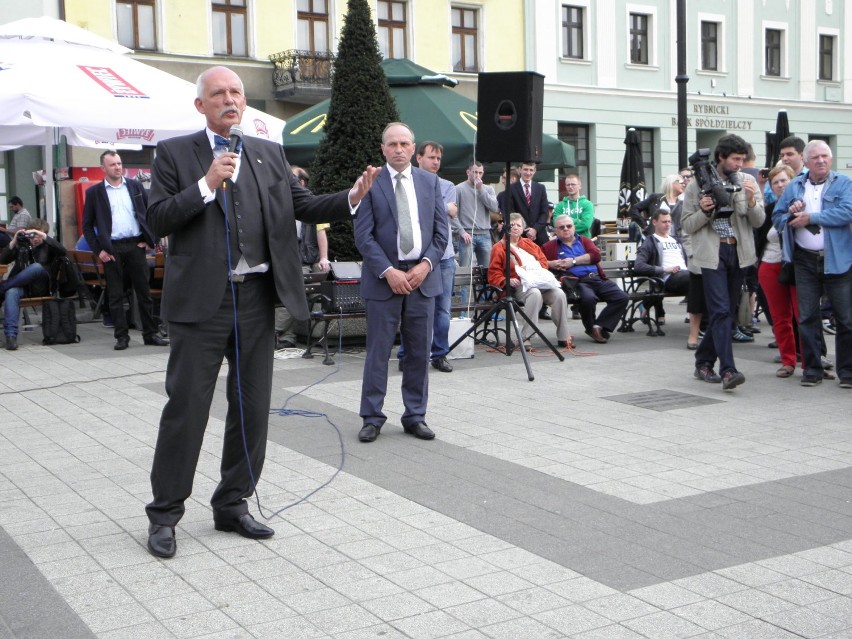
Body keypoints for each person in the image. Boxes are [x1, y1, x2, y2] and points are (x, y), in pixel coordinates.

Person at [143, 66, 378, 559]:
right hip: (200, 306)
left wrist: (352, 197)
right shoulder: (174, 153)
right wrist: (206, 184)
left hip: (254, 299)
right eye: (219, 94)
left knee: (251, 408)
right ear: (200, 105)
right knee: (186, 410)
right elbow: (157, 219)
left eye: (236, 93)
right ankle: (165, 513)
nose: (230, 100)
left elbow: (306, 204)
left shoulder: (268, 153)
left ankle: (232, 502)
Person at [355, 122, 448, 444]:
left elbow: (440, 233)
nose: (398, 149)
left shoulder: (430, 183)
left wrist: (425, 265)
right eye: (392, 144)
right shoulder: (371, 182)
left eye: (404, 143)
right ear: (383, 149)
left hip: (422, 279)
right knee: (378, 352)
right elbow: (363, 236)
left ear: (413, 148)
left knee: (419, 353)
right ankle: (371, 416)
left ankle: (415, 415)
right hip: (384, 281)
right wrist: (388, 271)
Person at [681, 133, 764, 391]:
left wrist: (750, 202)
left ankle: (703, 361)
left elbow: (759, 221)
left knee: (724, 312)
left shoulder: (748, 181)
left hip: (739, 254)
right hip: (711, 254)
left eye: (742, 159)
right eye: (735, 159)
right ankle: (728, 370)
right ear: (721, 157)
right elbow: (686, 224)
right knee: (721, 311)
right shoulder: (697, 184)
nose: (740, 164)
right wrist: (705, 211)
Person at [772, 140, 851, 389]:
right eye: (815, 157)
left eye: (825, 156)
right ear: (805, 162)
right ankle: (812, 369)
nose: (821, 161)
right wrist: (791, 215)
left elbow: (847, 211)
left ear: (831, 158)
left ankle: (847, 372)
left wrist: (811, 217)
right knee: (806, 317)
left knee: (846, 319)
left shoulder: (844, 183)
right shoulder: (795, 185)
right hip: (804, 259)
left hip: (837, 258)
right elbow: (777, 217)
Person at [82, 151, 168, 351]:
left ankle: (150, 333)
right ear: (103, 168)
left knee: (143, 292)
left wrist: (150, 240)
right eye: (112, 164)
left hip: (135, 245)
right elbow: (86, 226)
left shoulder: (135, 186)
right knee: (116, 294)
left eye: (119, 163)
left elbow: (150, 213)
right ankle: (121, 336)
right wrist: (99, 250)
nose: (117, 167)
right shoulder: (95, 193)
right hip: (111, 248)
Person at [398, 140, 458, 373]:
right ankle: (406, 354)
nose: (435, 162)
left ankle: (439, 353)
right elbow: (437, 211)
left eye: (438, 159)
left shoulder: (447, 185)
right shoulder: (406, 183)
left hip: (443, 257)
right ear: (418, 158)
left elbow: (444, 215)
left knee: (442, 309)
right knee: (410, 310)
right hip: (415, 258)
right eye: (431, 157)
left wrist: (439, 208)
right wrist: (442, 207)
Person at [487, 213, 572, 349]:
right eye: (512, 224)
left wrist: (533, 268)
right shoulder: (499, 247)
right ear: (506, 227)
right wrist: (507, 280)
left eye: (518, 225)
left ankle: (563, 336)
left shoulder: (529, 244)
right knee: (534, 293)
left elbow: (543, 262)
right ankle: (527, 337)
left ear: (523, 229)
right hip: (520, 286)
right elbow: (493, 273)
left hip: (538, 281)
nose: (515, 228)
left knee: (559, 294)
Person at [543, 214, 629, 343]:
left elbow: (596, 256)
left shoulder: (584, 240)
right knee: (588, 299)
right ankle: (591, 328)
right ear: (555, 230)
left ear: (574, 227)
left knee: (622, 297)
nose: (566, 229)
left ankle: (598, 326)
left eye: (569, 226)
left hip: (598, 279)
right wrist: (552, 264)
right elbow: (539, 262)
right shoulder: (550, 246)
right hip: (577, 282)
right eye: (561, 227)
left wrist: (573, 261)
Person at [273, 165, 332, 349]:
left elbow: (321, 232)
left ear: (302, 182)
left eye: (291, 178)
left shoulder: (312, 202)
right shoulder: (280, 201)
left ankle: (274, 331)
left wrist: (324, 257)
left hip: (303, 259)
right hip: (283, 259)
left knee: (291, 292)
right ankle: (287, 337)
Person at [755, 165, 799, 378]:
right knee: (780, 317)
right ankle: (788, 361)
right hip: (769, 266)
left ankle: (811, 361)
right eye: (776, 182)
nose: (780, 185)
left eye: (784, 180)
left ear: (793, 181)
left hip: (798, 266)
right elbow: (760, 237)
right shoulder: (770, 209)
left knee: (803, 315)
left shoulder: (803, 204)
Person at [0, 219, 66, 350]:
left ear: (44, 235)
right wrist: (13, 242)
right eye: (32, 235)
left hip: (40, 288)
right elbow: (2, 261)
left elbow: (63, 251)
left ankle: (1, 289)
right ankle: (11, 337)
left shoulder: (49, 247)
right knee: (12, 292)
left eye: (38, 235)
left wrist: (45, 237)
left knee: (36, 267)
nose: (35, 238)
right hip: (23, 288)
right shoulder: (23, 246)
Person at [633, 210, 690, 320]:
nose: (668, 224)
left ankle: (646, 305)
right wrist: (665, 269)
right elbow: (638, 266)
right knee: (695, 279)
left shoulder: (676, 240)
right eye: (664, 222)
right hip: (668, 279)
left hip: (685, 274)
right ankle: (695, 316)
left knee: (703, 278)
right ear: (654, 222)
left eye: (669, 221)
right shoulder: (650, 241)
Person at [453, 161, 497, 270]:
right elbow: (452, 214)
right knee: (465, 269)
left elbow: (494, 207)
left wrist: (481, 189)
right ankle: (465, 288)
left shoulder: (488, 189)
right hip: (467, 234)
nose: (477, 175)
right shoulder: (459, 189)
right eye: (475, 172)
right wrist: (461, 231)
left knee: (488, 270)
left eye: (480, 173)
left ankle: (485, 288)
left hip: (485, 233)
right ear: (468, 172)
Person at [500, 162, 550, 246]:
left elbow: (544, 212)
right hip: (519, 235)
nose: (528, 173)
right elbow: (510, 213)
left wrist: (535, 229)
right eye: (525, 169)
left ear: (534, 171)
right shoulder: (511, 189)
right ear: (520, 170)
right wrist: (525, 229)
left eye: (531, 170)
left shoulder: (540, 188)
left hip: (539, 235)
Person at [627, 174, 685, 245]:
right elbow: (634, 209)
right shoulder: (656, 198)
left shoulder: (683, 203)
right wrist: (645, 225)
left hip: (675, 242)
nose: (683, 185)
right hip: (655, 241)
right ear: (671, 183)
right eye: (681, 182)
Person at [764, 136, 806, 206]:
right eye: (782, 155)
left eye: (789, 154)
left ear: (802, 155)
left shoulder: (811, 176)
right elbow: (766, 203)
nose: (785, 158)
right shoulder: (775, 178)